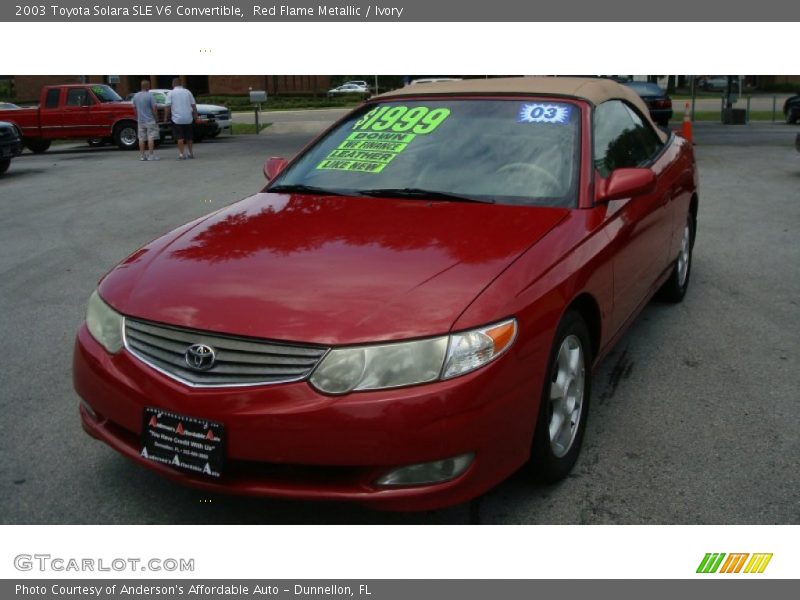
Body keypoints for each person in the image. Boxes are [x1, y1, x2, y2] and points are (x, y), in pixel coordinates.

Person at [165, 78, 198, 160]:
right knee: (189, 137)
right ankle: (190, 153)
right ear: (181, 84)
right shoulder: (188, 92)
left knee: (180, 137)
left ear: (173, 84)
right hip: (188, 118)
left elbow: (168, 106)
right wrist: (195, 114)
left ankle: (181, 154)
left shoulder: (171, 93)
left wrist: (166, 116)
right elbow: (193, 105)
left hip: (177, 119)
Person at [132, 79, 160, 161]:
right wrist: (156, 118)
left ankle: (142, 156)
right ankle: (151, 155)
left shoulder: (136, 96)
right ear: (147, 86)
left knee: (141, 138)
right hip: (150, 119)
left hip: (140, 120)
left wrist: (137, 116)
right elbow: (154, 108)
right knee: (150, 137)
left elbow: (134, 108)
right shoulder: (150, 95)